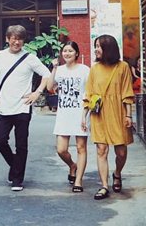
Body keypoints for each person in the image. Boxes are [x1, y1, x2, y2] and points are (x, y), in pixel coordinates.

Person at [0, 25, 50, 192]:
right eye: (13, 38)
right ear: (7, 39)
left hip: (22, 107)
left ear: (23, 40)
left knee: (21, 145)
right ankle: (15, 166)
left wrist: (37, 92)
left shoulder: (30, 57)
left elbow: (46, 74)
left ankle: (17, 179)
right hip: (3, 107)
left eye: (19, 38)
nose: (16, 41)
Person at [82, 35, 134, 200]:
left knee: (121, 152)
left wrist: (128, 115)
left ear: (109, 49)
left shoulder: (123, 67)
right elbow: (88, 94)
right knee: (101, 150)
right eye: (95, 46)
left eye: (99, 46)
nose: (96, 49)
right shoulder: (94, 69)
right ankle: (104, 185)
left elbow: (127, 92)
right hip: (99, 114)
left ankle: (117, 173)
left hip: (118, 113)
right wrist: (83, 117)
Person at [46, 41, 90, 193]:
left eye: (70, 51)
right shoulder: (59, 70)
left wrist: (85, 114)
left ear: (77, 53)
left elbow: (90, 93)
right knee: (61, 149)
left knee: (81, 147)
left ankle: (78, 180)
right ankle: (72, 165)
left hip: (80, 114)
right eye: (65, 51)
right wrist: (54, 68)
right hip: (64, 114)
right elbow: (49, 87)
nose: (67, 53)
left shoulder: (85, 70)